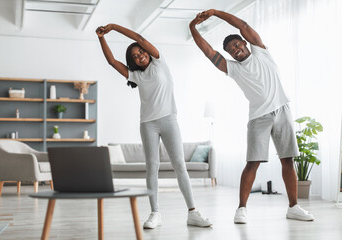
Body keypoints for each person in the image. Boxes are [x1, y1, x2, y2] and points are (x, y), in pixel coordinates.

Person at [189, 9, 314, 224]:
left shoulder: (261, 52)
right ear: (229, 54)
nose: (235, 50)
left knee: (288, 160)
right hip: (259, 117)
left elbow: (243, 25)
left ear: (245, 43)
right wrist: (192, 27)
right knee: (252, 163)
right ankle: (241, 209)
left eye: (237, 45)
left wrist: (215, 12)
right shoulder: (233, 69)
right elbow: (208, 52)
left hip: (283, 110)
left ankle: (293, 207)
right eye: (230, 50)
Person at [96, 24, 212, 229]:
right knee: (152, 166)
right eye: (135, 55)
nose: (140, 55)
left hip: (169, 120)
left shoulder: (159, 62)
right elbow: (112, 61)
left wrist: (113, 27)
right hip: (148, 124)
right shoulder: (136, 76)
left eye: (141, 51)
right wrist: (101, 38)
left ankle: (193, 213)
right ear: (132, 61)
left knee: (179, 165)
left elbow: (139, 38)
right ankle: (155, 213)